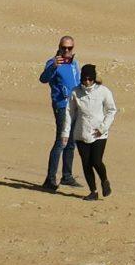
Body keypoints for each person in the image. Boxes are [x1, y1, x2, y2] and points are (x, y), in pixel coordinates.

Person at [39, 35, 82, 191]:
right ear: (59, 47)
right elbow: (43, 79)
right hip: (62, 106)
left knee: (72, 142)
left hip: (75, 105)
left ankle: (67, 176)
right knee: (61, 141)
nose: (66, 50)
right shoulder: (53, 62)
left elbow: (77, 82)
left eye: (69, 48)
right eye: (64, 47)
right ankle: (50, 179)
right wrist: (53, 67)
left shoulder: (74, 64)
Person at [68, 64, 117, 200]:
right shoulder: (75, 92)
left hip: (99, 133)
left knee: (96, 161)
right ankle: (93, 191)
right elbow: (70, 113)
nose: (87, 82)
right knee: (86, 163)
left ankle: (104, 181)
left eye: (90, 79)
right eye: (85, 79)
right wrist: (66, 133)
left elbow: (111, 110)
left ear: (94, 79)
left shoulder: (104, 91)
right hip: (81, 132)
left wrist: (103, 127)